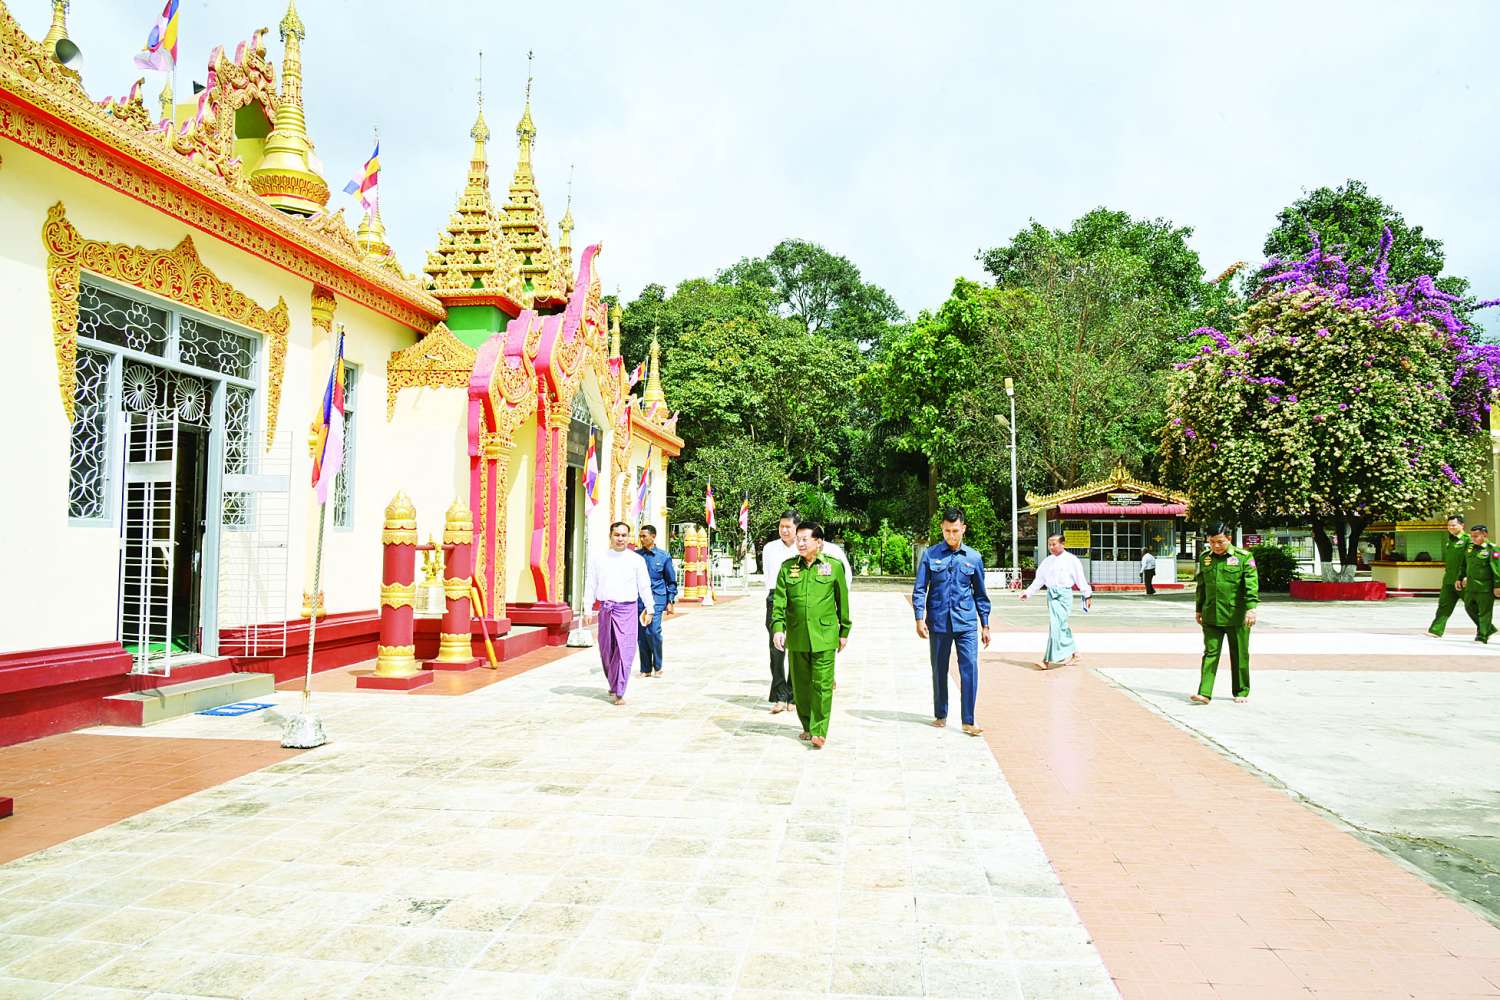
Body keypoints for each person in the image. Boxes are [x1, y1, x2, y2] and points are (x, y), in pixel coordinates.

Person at [771, 522, 851, 749]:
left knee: (822, 685)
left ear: (819, 542)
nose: (800, 543)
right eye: (798, 539)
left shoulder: (833, 566)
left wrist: (844, 631)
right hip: (797, 636)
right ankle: (807, 725)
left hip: (824, 635)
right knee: (801, 686)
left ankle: (819, 730)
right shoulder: (788, 568)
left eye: (805, 539)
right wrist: (778, 628)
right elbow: (779, 601)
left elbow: (842, 600)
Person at [913, 508, 992, 736]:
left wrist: (985, 625)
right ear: (942, 529)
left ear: (963, 529)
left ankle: (968, 720)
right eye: (947, 531)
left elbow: (980, 594)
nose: (951, 535)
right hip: (938, 622)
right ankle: (940, 714)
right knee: (939, 669)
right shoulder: (930, 555)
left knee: (970, 669)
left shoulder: (973, 558)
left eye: (955, 531)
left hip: (965, 623)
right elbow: (920, 589)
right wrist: (919, 618)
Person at [582, 521, 655, 705]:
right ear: (610, 536)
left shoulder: (636, 560)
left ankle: (620, 690)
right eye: (617, 535)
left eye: (624, 535)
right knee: (607, 651)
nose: (620, 538)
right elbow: (591, 583)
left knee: (625, 651)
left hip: (627, 610)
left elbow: (644, 586)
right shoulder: (599, 558)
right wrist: (587, 607)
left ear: (628, 537)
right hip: (606, 609)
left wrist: (650, 608)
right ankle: (613, 682)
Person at [1191, 522, 1259, 704]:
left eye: (1220, 542)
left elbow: (1251, 585)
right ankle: (1204, 693)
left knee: (1240, 654)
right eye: (1212, 542)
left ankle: (1241, 691)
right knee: (1210, 653)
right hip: (1211, 614)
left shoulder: (1243, 557)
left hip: (1236, 615)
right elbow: (1201, 586)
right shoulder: (1205, 558)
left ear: (1229, 538)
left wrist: (1251, 608)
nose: (1216, 546)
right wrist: (1198, 609)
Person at [1021, 534, 1092, 669]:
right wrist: (1028, 592)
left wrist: (1087, 595)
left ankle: (1046, 660)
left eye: (1054, 544)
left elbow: (1080, 579)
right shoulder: (1047, 561)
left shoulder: (1072, 560)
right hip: (1052, 596)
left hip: (1064, 596)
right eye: (1049, 544)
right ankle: (1075, 653)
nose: (1051, 547)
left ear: (1062, 544)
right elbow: (1039, 580)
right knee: (1059, 626)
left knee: (1057, 626)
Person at [762, 510, 802, 713]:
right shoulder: (769, 548)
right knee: (776, 649)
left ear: (797, 527)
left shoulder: (803, 547)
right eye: (781, 526)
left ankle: (794, 696)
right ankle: (780, 695)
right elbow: (768, 575)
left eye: (788, 527)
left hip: (797, 599)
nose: (784, 530)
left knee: (796, 649)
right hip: (775, 598)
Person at [635, 524, 677, 677]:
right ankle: (645, 669)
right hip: (639, 599)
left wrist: (670, 601)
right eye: (640, 536)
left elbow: (671, 581)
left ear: (653, 537)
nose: (641, 539)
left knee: (653, 631)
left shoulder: (663, 556)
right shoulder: (636, 556)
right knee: (642, 633)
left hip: (657, 598)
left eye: (644, 536)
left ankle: (657, 666)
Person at [1454, 523, 1500, 643]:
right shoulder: (1470, 549)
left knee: (1485, 612)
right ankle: (1489, 629)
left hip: (1485, 587)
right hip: (1470, 586)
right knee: (1469, 607)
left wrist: (1498, 586)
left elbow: (1497, 570)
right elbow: (1464, 565)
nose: (1473, 539)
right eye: (1472, 536)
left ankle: (1482, 636)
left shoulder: (1492, 549)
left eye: (1476, 536)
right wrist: (1459, 578)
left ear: (1485, 535)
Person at [1428, 514, 1470, 639]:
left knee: (1472, 607)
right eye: (1449, 525)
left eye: (1453, 525)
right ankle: (1436, 630)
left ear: (1462, 525)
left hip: (1462, 580)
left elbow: (1471, 560)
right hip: (1449, 579)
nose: (1451, 527)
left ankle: (1486, 629)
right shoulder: (1450, 540)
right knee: (1444, 605)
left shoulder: (1468, 540)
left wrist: (1466, 576)